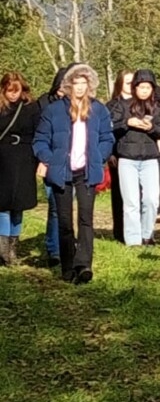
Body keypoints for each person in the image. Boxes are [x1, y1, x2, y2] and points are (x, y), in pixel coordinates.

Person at [33, 64, 114, 284]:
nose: (79, 88)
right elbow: (40, 140)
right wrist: (49, 159)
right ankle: (67, 267)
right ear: (68, 85)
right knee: (65, 221)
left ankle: (84, 264)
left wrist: (99, 155)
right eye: (75, 83)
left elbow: (108, 138)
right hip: (61, 171)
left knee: (86, 219)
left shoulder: (99, 109)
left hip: (88, 171)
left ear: (89, 85)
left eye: (83, 83)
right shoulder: (54, 110)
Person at [113, 69, 160, 247]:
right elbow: (113, 126)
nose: (144, 90)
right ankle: (133, 240)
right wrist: (127, 123)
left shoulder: (158, 108)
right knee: (131, 201)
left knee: (151, 199)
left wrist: (150, 127)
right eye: (141, 87)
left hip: (150, 159)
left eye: (148, 87)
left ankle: (147, 234)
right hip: (127, 159)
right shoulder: (123, 106)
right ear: (135, 88)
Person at [37, 64, 77, 266]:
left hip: (74, 163)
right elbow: (40, 136)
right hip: (52, 161)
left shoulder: (79, 104)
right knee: (54, 206)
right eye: (61, 85)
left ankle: (69, 246)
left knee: (68, 207)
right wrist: (43, 160)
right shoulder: (44, 104)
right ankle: (54, 249)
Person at [0, 73, 41, 265]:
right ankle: (3, 250)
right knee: (2, 205)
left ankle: (12, 250)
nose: (13, 95)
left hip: (24, 159)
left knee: (18, 206)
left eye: (16, 90)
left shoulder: (31, 108)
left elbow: (37, 133)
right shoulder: (1, 107)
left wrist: (38, 159)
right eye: (9, 91)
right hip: (2, 159)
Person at [106, 71, 134, 241]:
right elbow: (107, 132)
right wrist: (110, 153)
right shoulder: (111, 105)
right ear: (120, 84)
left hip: (138, 153)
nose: (131, 86)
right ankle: (120, 232)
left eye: (133, 82)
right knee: (119, 194)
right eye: (127, 82)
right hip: (117, 154)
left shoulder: (142, 103)